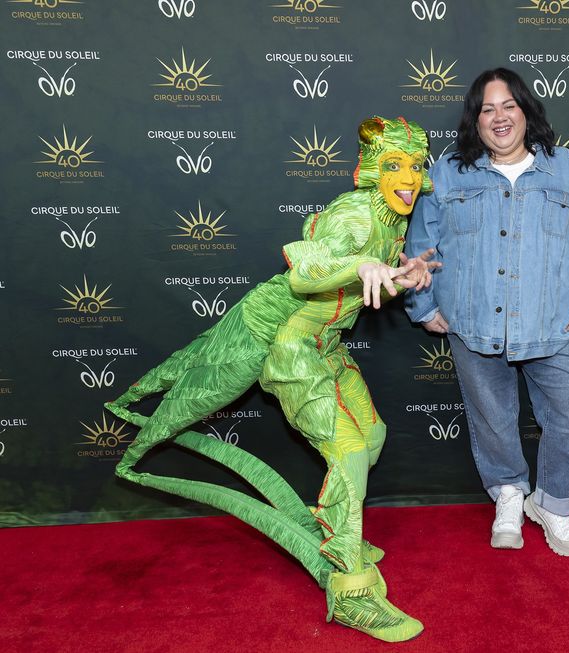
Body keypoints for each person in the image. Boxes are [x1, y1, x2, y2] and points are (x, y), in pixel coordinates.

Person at [105, 116, 439, 642]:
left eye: (417, 166)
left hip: (325, 345)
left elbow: (360, 283)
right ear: (369, 171)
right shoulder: (354, 214)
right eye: (395, 166)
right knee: (349, 450)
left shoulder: (391, 215)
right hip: (292, 348)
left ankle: (333, 523)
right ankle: (351, 592)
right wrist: (358, 265)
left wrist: (403, 272)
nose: (409, 178)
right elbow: (304, 273)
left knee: (372, 439)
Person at [404, 68, 569, 557]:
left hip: (555, 324)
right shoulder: (448, 171)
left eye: (508, 106)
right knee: (492, 418)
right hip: (473, 321)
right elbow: (420, 243)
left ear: (526, 111)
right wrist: (423, 304)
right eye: (487, 109)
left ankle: (556, 505)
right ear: (475, 121)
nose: (499, 117)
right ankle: (509, 496)